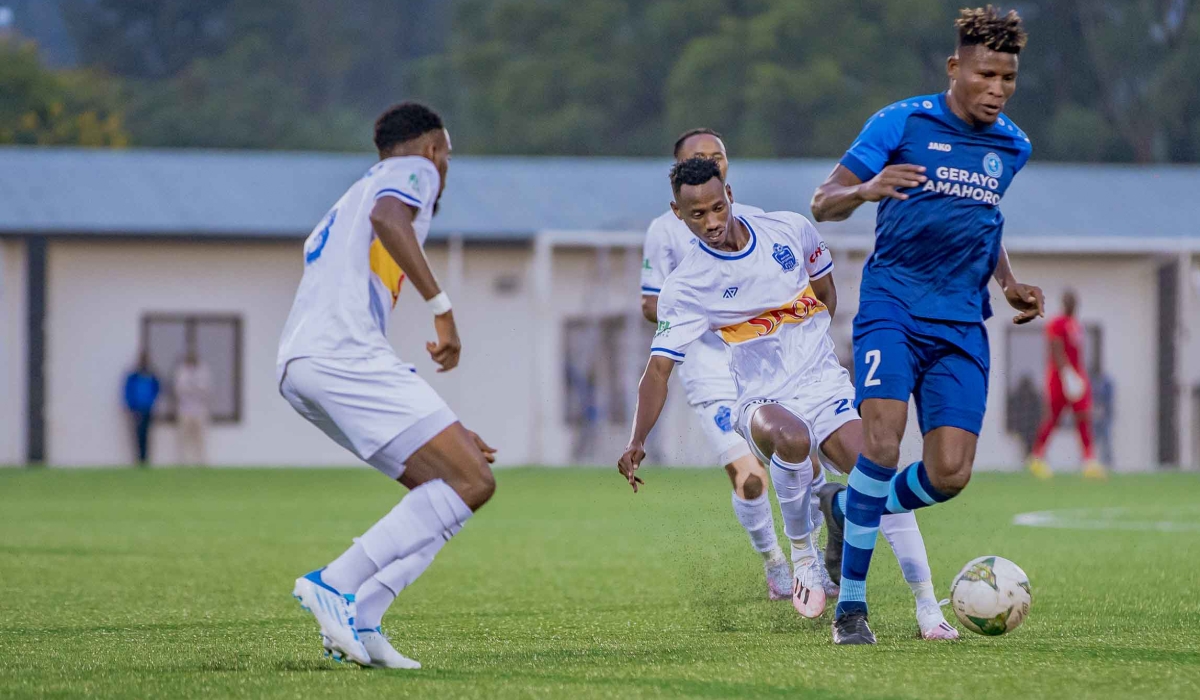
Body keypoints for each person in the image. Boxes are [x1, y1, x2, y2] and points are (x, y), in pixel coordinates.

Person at [619, 157, 957, 639]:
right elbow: (658, 369)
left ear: (729, 194)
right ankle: (803, 557)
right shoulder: (688, 285)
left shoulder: (789, 230)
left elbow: (826, 292)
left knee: (878, 480)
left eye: (717, 207)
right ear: (678, 213)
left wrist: (814, 355)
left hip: (824, 387)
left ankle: (928, 608)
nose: (712, 222)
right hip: (761, 398)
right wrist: (637, 440)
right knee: (793, 439)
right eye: (697, 215)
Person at [810, 6, 1044, 644]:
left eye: (1008, 78)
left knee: (949, 474)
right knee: (881, 445)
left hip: (962, 322)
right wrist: (867, 189)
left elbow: (981, 219)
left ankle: (847, 507)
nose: (997, 89)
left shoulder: (1013, 146)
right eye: (986, 74)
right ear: (955, 67)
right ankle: (851, 610)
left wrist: (1008, 282)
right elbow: (822, 202)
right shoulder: (901, 122)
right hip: (893, 306)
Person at [277, 102, 497, 669]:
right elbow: (389, 220)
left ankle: (365, 616)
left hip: (308, 363)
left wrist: (444, 426)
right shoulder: (411, 173)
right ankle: (335, 582)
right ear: (432, 148)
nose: (445, 170)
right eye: (446, 155)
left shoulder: (347, 199)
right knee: (473, 480)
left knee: (456, 478)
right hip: (341, 356)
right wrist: (442, 308)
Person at [640, 128, 791, 602]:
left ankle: (814, 559)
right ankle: (776, 563)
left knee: (799, 465)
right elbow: (651, 303)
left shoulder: (757, 223)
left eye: (719, 155)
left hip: (766, 361)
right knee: (750, 476)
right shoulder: (665, 231)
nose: (713, 161)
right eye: (700, 156)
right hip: (708, 367)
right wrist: (698, 313)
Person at [1027, 290, 1107, 479]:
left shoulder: (1075, 325)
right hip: (1060, 377)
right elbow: (1056, 347)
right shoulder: (1056, 323)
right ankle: (1036, 458)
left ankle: (1089, 461)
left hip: (1077, 376)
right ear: (1064, 303)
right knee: (1053, 417)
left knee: (1083, 416)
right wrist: (1067, 374)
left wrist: (1077, 375)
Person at [173, 347, 212, 465]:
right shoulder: (181, 371)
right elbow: (178, 389)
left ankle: (201, 461)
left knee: (200, 438)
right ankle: (183, 461)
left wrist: (195, 388)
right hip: (185, 410)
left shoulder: (204, 370)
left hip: (200, 410)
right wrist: (191, 388)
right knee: (183, 437)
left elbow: (207, 389)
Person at [123, 351, 160, 466]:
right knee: (137, 435)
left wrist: (152, 403)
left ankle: (145, 459)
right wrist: (131, 406)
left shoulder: (152, 376)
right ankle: (138, 459)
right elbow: (128, 392)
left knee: (146, 435)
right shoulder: (133, 377)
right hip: (136, 410)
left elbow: (157, 390)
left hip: (148, 409)